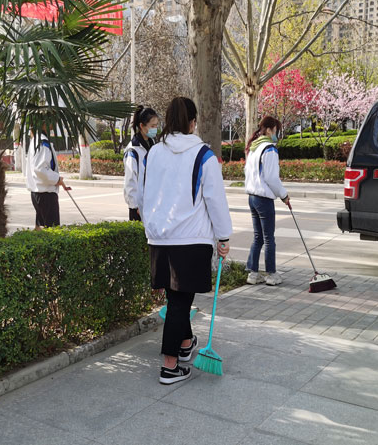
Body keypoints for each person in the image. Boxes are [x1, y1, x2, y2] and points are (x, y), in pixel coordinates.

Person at [142, 97, 232, 385]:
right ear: (193, 122)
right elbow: (215, 199)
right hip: (191, 238)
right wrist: (223, 236)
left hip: (160, 238)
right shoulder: (203, 155)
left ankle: (184, 345)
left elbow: (147, 193)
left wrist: (151, 228)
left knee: (176, 299)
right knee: (180, 303)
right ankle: (170, 367)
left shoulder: (154, 152)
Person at [244, 116, 291, 286]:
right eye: (276, 131)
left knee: (258, 237)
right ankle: (271, 274)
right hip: (264, 199)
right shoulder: (269, 149)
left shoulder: (254, 147)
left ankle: (253, 274)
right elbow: (271, 178)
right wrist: (284, 195)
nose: (276, 134)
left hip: (252, 197)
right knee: (269, 238)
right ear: (270, 129)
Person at [24, 126, 69, 229]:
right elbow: (40, 169)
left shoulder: (36, 140)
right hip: (46, 194)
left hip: (39, 192)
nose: (55, 123)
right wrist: (57, 179)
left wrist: (57, 179)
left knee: (40, 229)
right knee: (52, 230)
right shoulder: (42, 142)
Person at [123, 105, 159, 221]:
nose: (155, 129)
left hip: (152, 203)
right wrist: (135, 206)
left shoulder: (153, 145)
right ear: (142, 126)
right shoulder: (133, 150)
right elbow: (130, 180)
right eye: (152, 126)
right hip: (138, 208)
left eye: (156, 125)